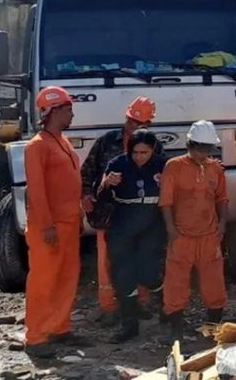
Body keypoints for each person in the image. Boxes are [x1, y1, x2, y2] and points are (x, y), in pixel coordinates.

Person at [23, 87, 91, 358]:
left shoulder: (62, 142)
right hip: (48, 227)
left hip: (68, 224)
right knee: (44, 281)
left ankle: (60, 328)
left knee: (67, 277)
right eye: (68, 109)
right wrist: (46, 225)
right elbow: (36, 190)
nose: (72, 114)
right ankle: (36, 338)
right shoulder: (37, 146)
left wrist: (78, 216)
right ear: (54, 111)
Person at [81, 96, 159, 325]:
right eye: (132, 121)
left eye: (140, 123)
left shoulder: (153, 145)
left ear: (148, 124)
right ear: (126, 117)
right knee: (107, 260)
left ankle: (138, 305)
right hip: (108, 212)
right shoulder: (107, 142)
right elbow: (88, 169)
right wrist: (86, 193)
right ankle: (109, 307)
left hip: (140, 215)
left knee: (139, 258)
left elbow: (163, 173)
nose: (134, 126)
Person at [160, 121, 229, 342]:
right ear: (190, 145)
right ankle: (175, 331)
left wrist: (222, 224)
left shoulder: (215, 168)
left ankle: (213, 328)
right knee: (176, 283)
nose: (204, 154)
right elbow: (166, 201)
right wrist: (171, 230)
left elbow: (222, 198)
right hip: (182, 236)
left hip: (209, 235)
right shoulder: (174, 166)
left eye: (208, 149)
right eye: (201, 149)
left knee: (214, 282)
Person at [99, 129, 167, 343]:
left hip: (152, 224)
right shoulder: (118, 164)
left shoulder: (164, 165)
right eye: (135, 152)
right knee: (123, 275)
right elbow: (101, 196)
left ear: (153, 150)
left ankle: (167, 305)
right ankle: (129, 324)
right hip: (123, 225)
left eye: (144, 152)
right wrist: (106, 184)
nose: (139, 157)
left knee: (148, 273)